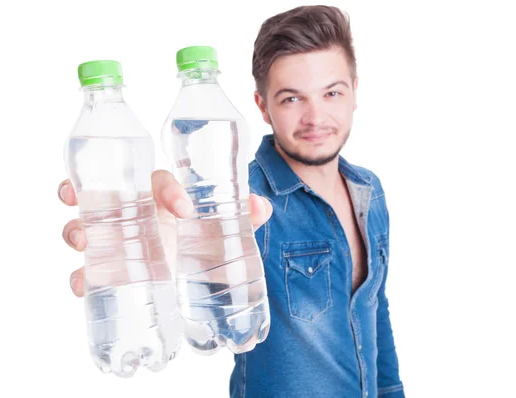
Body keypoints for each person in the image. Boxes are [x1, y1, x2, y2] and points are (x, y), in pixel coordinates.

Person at [59, 5, 405, 397]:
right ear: (262, 106)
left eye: (331, 93)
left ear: (355, 91)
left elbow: (376, 313)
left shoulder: (368, 190)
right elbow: (203, 272)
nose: (315, 116)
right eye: (292, 99)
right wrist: (158, 244)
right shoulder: (244, 197)